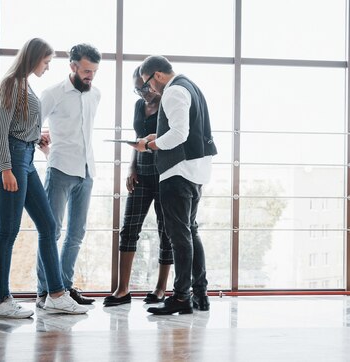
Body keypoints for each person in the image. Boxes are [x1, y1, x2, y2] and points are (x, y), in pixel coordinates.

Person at [0, 37, 89, 318]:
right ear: (34, 58)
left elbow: (18, 124)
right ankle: (0, 301)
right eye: (46, 62)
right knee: (8, 232)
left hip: (26, 159)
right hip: (13, 161)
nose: (47, 67)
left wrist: (35, 136)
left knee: (47, 226)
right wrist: (7, 168)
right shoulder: (12, 82)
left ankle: (56, 294)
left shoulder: (24, 83)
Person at [133, 55, 217, 315]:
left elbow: (180, 135)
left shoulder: (173, 91)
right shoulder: (190, 85)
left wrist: (148, 145)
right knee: (190, 232)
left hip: (178, 172)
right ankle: (200, 295)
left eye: (147, 83)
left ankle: (181, 297)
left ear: (157, 75)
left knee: (180, 236)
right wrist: (156, 137)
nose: (149, 90)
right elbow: (183, 128)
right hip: (195, 171)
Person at [35, 43, 102, 308]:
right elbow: (32, 125)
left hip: (87, 171)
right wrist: (44, 148)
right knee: (51, 233)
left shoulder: (95, 94)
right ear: (73, 66)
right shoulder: (53, 93)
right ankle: (45, 292)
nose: (90, 76)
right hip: (60, 168)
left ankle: (64, 288)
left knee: (76, 233)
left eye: (94, 71)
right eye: (86, 70)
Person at [103, 66, 173, 307]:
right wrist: (132, 168)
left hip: (164, 173)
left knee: (166, 231)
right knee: (129, 227)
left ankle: (161, 288)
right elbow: (137, 141)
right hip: (142, 172)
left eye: (144, 87)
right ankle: (122, 290)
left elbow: (172, 138)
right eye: (137, 89)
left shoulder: (168, 102)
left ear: (152, 81)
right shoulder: (138, 106)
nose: (143, 93)